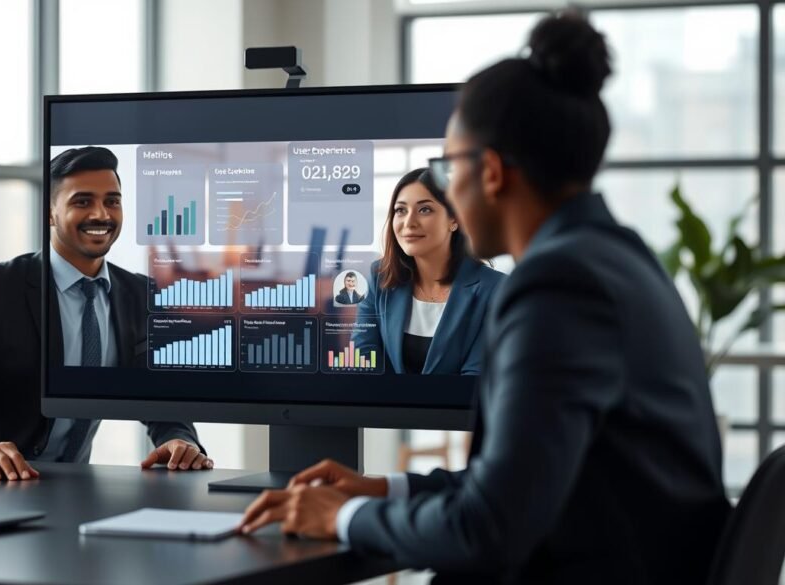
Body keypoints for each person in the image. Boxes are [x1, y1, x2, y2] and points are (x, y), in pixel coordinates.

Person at [238, 12, 729, 584]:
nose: (438, 199)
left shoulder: (558, 288)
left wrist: (346, 517)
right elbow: (515, 483)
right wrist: (381, 487)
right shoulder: (617, 257)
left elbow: (488, 528)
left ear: (491, 172)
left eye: (449, 171)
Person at [0, 147, 212, 481]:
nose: (101, 214)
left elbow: (157, 399)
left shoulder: (138, 295)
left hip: (73, 487)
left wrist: (178, 439)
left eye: (112, 201)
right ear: (50, 213)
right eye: (82, 201)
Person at [351, 168, 504, 375]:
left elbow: (475, 379)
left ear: (454, 220)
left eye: (425, 210)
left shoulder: (494, 289)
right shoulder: (379, 277)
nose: (409, 222)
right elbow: (364, 356)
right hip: (385, 407)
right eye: (400, 210)